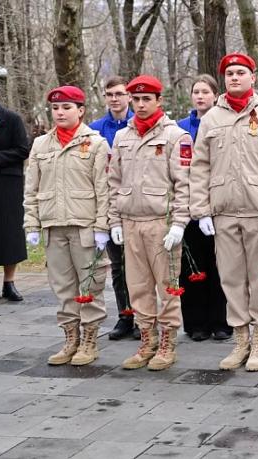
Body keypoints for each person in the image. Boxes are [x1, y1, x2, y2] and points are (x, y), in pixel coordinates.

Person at [190, 53, 258, 372]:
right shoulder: (211, 119)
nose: (234, 77)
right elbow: (199, 166)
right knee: (231, 278)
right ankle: (240, 340)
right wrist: (201, 210)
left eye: (240, 72)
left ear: (253, 77)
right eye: (229, 73)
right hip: (223, 212)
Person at [108, 75, 192, 371]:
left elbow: (184, 184)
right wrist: (114, 221)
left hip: (161, 223)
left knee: (167, 286)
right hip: (131, 222)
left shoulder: (176, 136)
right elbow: (113, 182)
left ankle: (168, 343)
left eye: (147, 99)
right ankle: (147, 340)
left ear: (159, 101)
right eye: (136, 99)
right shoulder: (122, 137)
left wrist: (179, 223)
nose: (141, 104)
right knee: (138, 286)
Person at [23, 86, 111, 365]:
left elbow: (104, 190)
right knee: (62, 287)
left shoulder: (96, 143)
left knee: (90, 284)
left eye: (66, 107)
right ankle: (71, 338)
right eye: (55, 108)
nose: (60, 113)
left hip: (84, 225)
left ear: (80, 110)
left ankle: (89, 341)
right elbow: (31, 189)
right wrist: (32, 224)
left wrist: (102, 227)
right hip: (53, 225)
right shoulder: (41, 145)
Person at [176, 74, 231, 342]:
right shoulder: (181, 129)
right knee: (192, 267)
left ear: (215, 95)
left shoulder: (223, 123)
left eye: (205, 92)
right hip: (188, 204)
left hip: (218, 203)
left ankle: (221, 321)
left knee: (219, 265)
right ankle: (196, 323)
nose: (200, 96)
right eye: (196, 92)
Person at [90, 75, 137, 340]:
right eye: (110, 95)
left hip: (137, 203)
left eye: (119, 94)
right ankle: (125, 316)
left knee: (139, 267)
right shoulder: (95, 129)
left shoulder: (137, 124)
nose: (115, 99)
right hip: (110, 203)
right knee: (118, 266)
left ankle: (143, 316)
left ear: (128, 96)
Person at [0, 84, 29, 303]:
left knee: (9, 233)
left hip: (7, 184)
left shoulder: (11, 119)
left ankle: (10, 282)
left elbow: (22, 149)